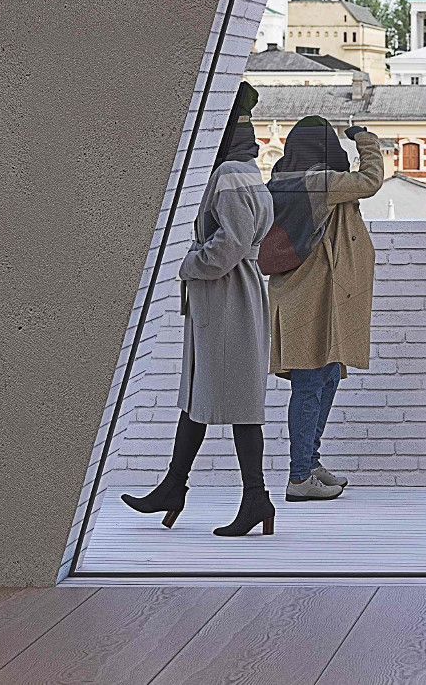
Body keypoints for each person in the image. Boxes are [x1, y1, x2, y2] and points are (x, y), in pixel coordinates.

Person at [123, 82, 277, 537]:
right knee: (201, 394)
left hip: (228, 296)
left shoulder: (228, 175)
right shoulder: (248, 171)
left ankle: (254, 498)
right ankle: (177, 486)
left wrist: (189, 263)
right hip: (232, 296)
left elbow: (228, 244)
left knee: (237, 403)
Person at [266, 117, 385, 502]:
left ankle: (310, 465)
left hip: (300, 295)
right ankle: (300, 476)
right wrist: (365, 140)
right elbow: (369, 181)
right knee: (311, 384)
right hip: (314, 297)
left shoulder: (282, 180)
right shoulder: (319, 183)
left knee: (325, 376)